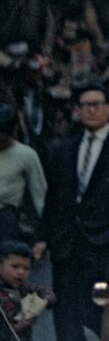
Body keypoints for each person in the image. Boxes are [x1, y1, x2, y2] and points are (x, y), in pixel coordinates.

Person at [40, 82, 109, 341]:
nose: (91, 110)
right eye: (85, 105)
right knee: (65, 308)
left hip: (105, 238)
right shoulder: (62, 149)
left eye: (96, 104)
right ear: (77, 111)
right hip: (67, 239)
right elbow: (54, 196)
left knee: (96, 305)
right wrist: (43, 237)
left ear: (108, 108)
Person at [0, 103, 46, 250]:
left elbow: (40, 196)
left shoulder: (26, 155)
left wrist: (45, 234)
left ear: (12, 132)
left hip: (6, 218)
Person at [0, 239, 54, 341]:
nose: (21, 272)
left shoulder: (23, 288)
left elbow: (47, 293)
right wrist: (17, 327)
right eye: (15, 267)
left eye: (26, 268)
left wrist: (37, 306)